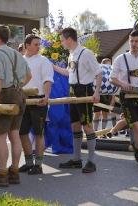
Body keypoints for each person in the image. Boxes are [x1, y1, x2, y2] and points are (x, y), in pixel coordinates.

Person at [0, 25, 32, 187]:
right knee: (15, 135)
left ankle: (2, 175)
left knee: (0, 137)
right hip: (19, 95)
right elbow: (29, 76)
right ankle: (14, 173)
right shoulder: (17, 54)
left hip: (6, 95)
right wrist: (19, 86)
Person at [53, 27, 102, 173]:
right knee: (75, 125)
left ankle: (92, 162)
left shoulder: (86, 53)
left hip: (84, 91)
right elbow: (69, 74)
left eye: (62, 40)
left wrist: (97, 92)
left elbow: (98, 73)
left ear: (69, 39)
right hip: (73, 91)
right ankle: (76, 159)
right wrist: (52, 66)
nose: (61, 43)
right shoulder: (71, 54)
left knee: (87, 125)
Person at [110, 29, 138, 173]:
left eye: (136, 41)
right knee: (137, 128)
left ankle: (137, 145)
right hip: (127, 97)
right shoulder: (120, 59)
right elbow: (112, 78)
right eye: (131, 41)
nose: (134, 44)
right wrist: (123, 84)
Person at [18, 34, 54, 175]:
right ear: (27, 45)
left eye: (39, 44)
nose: (38, 47)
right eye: (35, 44)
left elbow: (47, 80)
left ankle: (38, 165)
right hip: (23, 99)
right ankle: (28, 163)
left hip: (39, 99)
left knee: (39, 133)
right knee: (22, 132)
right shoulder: (20, 60)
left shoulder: (43, 60)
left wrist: (46, 96)